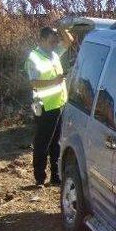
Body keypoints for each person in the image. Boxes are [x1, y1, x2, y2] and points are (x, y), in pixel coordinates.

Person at [25, 26, 74, 186]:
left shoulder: (53, 54)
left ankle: (55, 176)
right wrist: (54, 81)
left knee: (56, 142)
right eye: (51, 41)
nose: (55, 43)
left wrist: (62, 29)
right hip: (45, 106)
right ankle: (40, 177)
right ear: (42, 40)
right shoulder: (34, 57)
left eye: (55, 41)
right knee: (42, 143)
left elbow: (69, 42)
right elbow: (33, 82)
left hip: (58, 104)